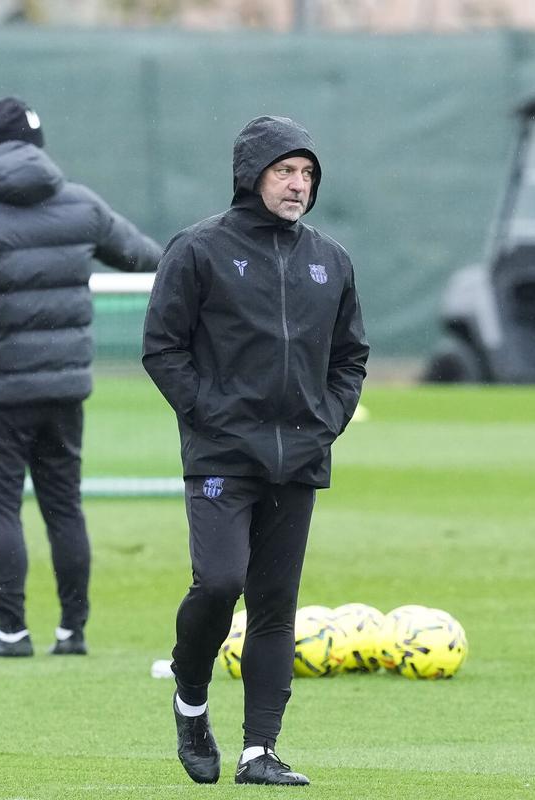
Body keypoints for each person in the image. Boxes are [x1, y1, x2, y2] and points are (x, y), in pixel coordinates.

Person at [142, 115, 368, 786]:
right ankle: (190, 699)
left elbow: (351, 357)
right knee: (219, 583)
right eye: (285, 171)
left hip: (299, 457)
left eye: (307, 174)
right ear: (251, 176)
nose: (298, 184)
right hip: (221, 456)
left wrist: (325, 421)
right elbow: (162, 347)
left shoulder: (331, 260)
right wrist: (210, 414)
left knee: (275, 605)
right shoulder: (199, 249)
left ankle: (259, 751)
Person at [0, 97, 163, 658]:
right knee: (64, 506)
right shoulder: (81, 205)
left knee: (0, 509)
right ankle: (71, 633)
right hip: (64, 389)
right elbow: (146, 257)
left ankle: (12, 633)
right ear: (38, 144)